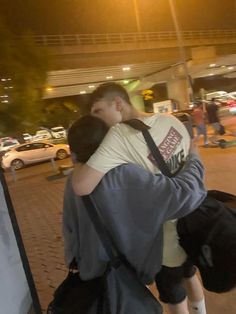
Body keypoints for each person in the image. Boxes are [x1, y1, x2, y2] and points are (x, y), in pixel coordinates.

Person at [72, 83, 207, 314]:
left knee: (174, 297)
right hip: (193, 223)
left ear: (117, 104)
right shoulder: (170, 121)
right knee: (190, 274)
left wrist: (78, 160)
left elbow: (81, 186)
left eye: (98, 111)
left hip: (165, 241)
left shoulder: (117, 136)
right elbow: (188, 159)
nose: (96, 120)